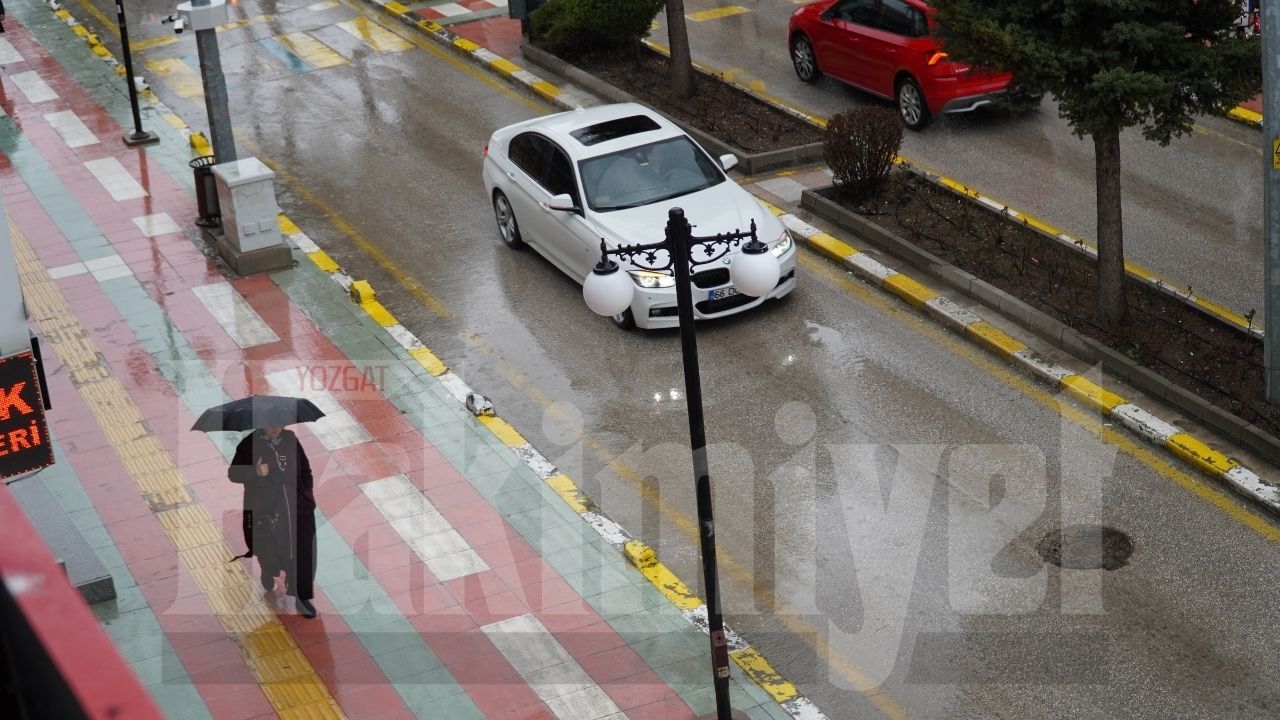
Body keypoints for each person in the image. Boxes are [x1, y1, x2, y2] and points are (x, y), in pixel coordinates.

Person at [228, 425, 318, 618]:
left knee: (302, 551)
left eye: (280, 424)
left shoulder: (291, 439)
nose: (277, 429)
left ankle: (301, 596)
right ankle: (268, 570)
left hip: (297, 509)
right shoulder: (249, 445)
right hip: (265, 513)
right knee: (270, 550)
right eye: (271, 425)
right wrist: (255, 472)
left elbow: (305, 470)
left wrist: (307, 496)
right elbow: (233, 474)